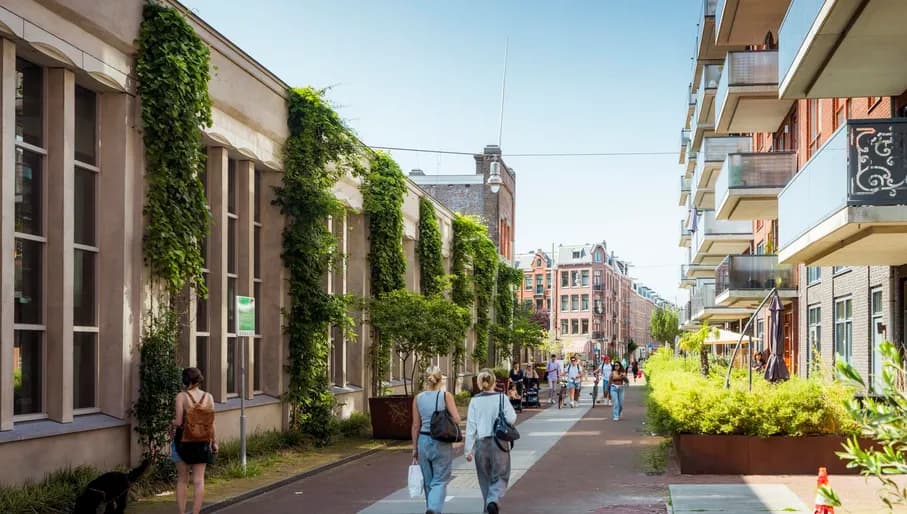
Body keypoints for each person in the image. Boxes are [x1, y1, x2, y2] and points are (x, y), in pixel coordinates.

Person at [466, 369, 517, 514]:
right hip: (499, 442)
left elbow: (471, 426)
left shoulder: (474, 401)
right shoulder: (501, 398)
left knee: (484, 478)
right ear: (494, 382)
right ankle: (493, 501)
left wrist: (468, 450)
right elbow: (512, 418)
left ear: (479, 383)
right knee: (501, 475)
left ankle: (488, 507)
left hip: (481, 443)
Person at [411, 366, 461, 514]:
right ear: (441, 379)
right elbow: (457, 418)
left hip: (423, 441)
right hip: (441, 442)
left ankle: (430, 507)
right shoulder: (446, 396)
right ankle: (433, 509)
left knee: (428, 481)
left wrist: (414, 448)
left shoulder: (418, 398)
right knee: (440, 480)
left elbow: (415, 425)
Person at [171, 368, 217, 514]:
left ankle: (181, 513)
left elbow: (178, 422)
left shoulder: (181, 397)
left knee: (182, 480)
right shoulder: (209, 397)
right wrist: (214, 442)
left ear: (185, 380)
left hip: (183, 442)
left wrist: (170, 423)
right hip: (202, 442)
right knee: (199, 480)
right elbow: (212, 423)